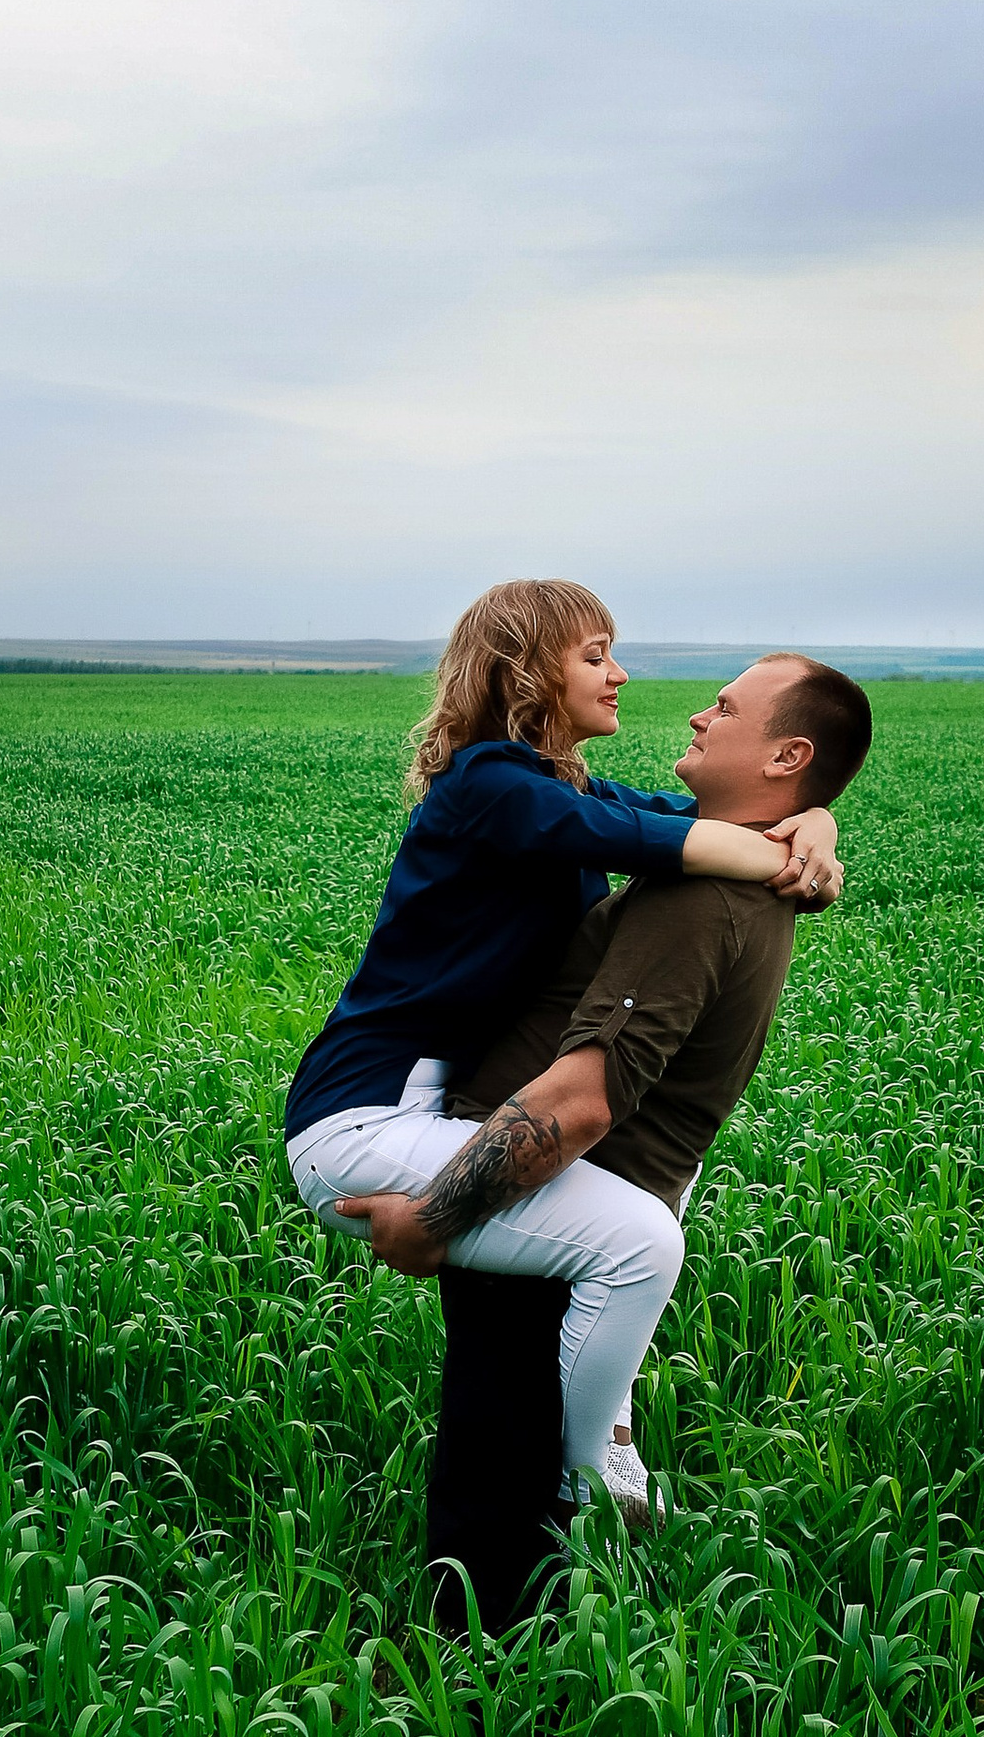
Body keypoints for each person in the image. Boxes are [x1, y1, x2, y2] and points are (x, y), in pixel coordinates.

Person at [349, 651, 875, 1621]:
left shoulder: (696, 896)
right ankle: (561, 1629)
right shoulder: (733, 864)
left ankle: (473, 1685)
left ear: (786, 752)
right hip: (580, 1192)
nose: (699, 715)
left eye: (725, 707)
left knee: (498, 1463)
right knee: (523, 1448)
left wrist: (433, 1218)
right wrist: (817, 821)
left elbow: (582, 1099)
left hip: (548, 1198)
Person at [285, 584, 843, 1435]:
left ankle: (591, 1450)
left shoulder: (564, 790)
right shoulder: (490, 784)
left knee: (635, 1211)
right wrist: (796, 847)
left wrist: (816, 822)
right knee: (638, 1243)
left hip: (437, 1111)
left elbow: (698, 815)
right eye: (593, 656)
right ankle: (592, 1479)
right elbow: (671, 839)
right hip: (366, 1118)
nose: (619, 675)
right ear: (524, 673)